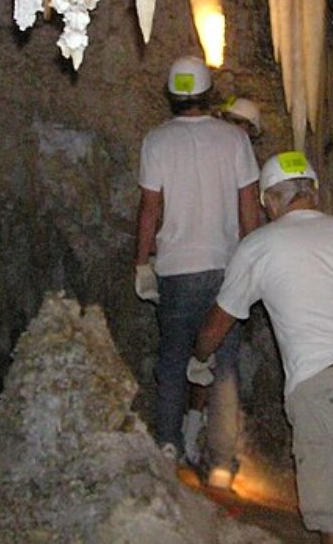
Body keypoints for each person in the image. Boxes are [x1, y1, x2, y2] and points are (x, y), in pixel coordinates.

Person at [189, 151, 333, 544]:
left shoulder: (260, 246)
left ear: (268, 202)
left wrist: (199, 356)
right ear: (313, 191)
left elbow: (217, 323)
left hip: (329, 392)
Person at [133, 54, 262, 488]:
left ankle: (169, 448)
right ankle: (222, 463)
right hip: (226, 265)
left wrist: (141, 260)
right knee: (224, 364)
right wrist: (254, 260)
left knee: (173, 361)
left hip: (177, 269)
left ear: (172, 95)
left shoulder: (157, 140)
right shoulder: (234, 140)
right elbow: (249, 207)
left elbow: (151, 207)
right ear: (208, 94)